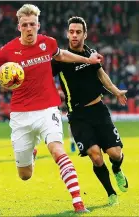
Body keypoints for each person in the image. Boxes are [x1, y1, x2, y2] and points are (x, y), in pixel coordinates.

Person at [0, 4, 103, 213]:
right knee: (25, 175)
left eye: (33, 24)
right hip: (21, 115)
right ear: (19, 27)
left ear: (38, 25)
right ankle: (31, 153)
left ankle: (78, 202)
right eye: (25, 25)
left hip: (47, 109)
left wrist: (87, 59)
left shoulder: (47, 43)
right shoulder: (7, 51)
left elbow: (62, 56)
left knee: (57, 150)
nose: (29, 28)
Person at [51, 16, 129, 206]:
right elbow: (43, 77)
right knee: (95, 155)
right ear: (67, 34)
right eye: (71, 32)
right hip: (78, 115)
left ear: (85, 34)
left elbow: (102, 76)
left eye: (78, 32)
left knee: (115, 153)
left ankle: (117, 169)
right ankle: (111, 193)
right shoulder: (60, 59)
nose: (74, 35)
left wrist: (116, 91)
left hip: (99, 110)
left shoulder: (91, 53)